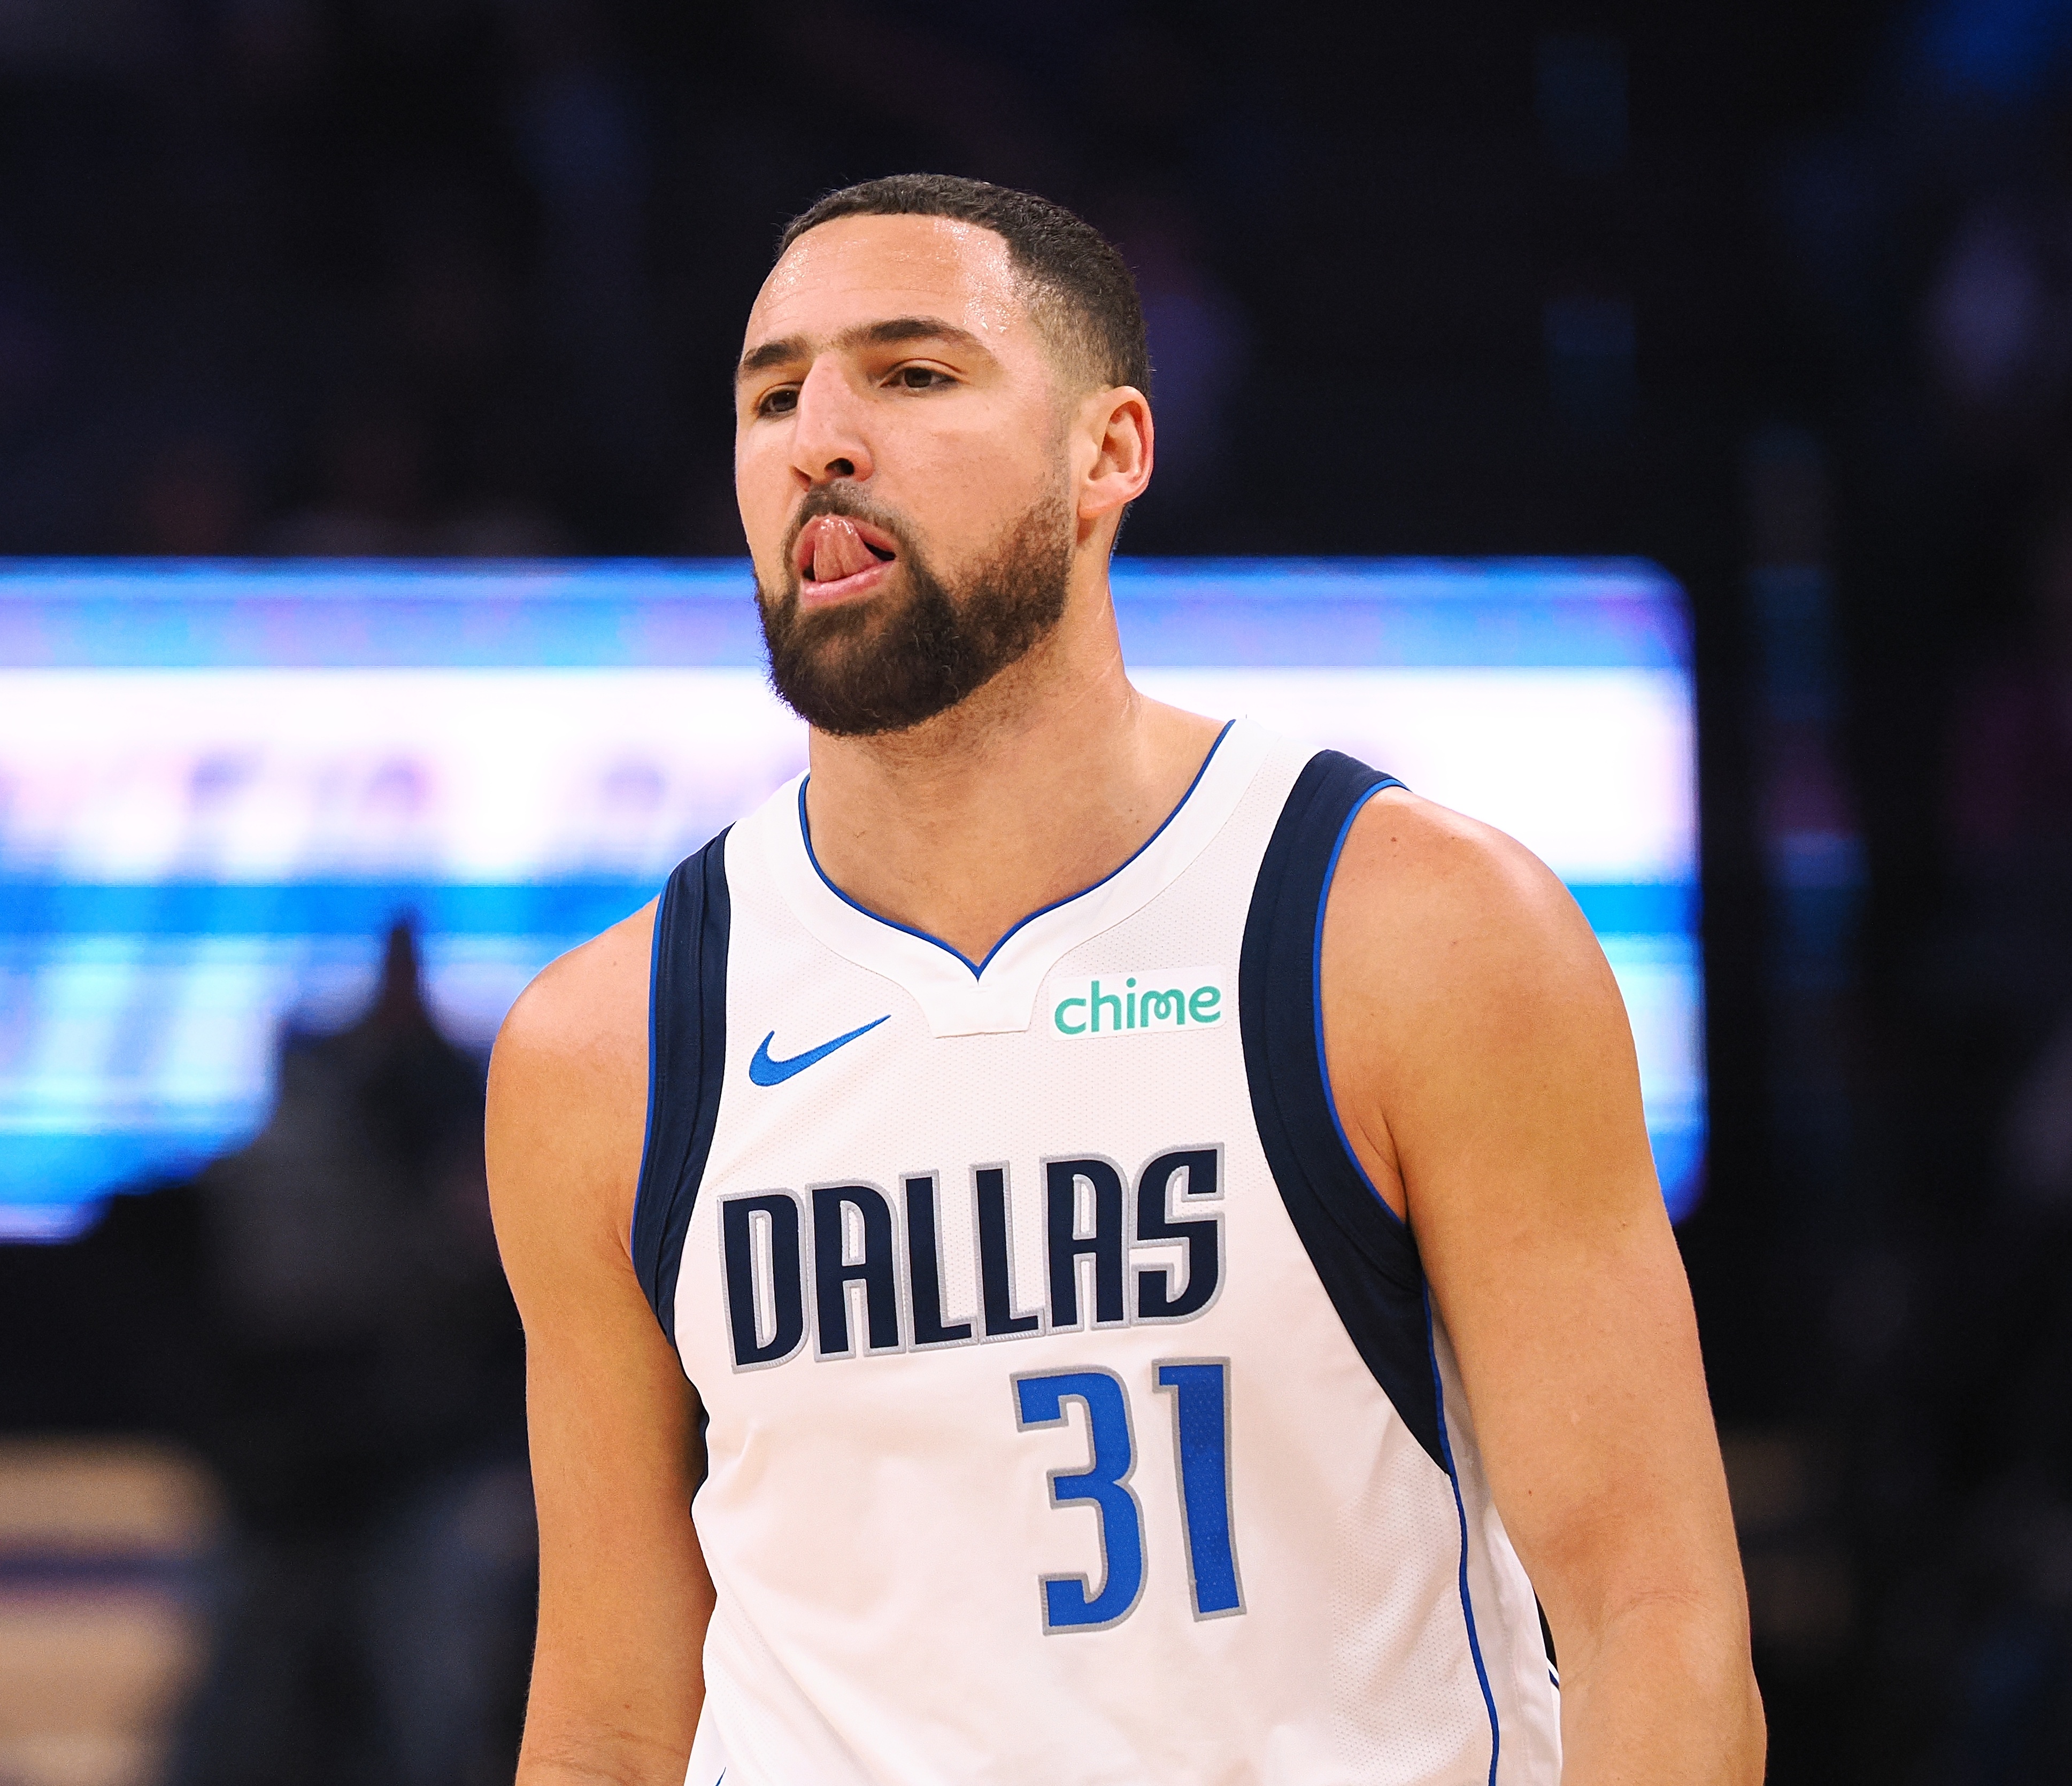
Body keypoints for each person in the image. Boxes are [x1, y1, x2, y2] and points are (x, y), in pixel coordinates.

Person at [486, 174, 1762, 1786]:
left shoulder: (1411, 934)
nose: (821, 439)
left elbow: (1654, 1619)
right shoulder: (605, 1048)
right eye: (772, 396)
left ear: (1110, 453)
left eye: (912, 373)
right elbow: (609, 1724)